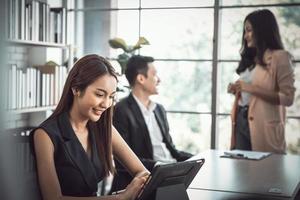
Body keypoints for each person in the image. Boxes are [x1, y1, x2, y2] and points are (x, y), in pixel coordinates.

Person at [30, 54, 149, 200]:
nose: (106, 104)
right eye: (100, 94)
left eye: (111, 97)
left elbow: (142, 172)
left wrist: (137, 185)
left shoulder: (104, 128)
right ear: (76, 89)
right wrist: (119, 198)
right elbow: (53, 198)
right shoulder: (45, 135)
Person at [110, 55, 193, 193]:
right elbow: (122, 161)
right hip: (146, 180)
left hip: (170, 175)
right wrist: (164, 167)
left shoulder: (159, 109)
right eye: (154, 74)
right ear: (141, 79)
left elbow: (171, 149)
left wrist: (194, 159)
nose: (159, 80)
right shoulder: (121, 110)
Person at [228, 9, 295, 154]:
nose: (245, 36)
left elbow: (288, 98)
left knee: (265, 172)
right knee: (242, 171)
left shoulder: (280, 57)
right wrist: (237, 89)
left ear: (262, 30)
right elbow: (249, 93)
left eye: (249, 30)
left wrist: (250, 88)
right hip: (240, 119)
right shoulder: (251, 57)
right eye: (244, 31)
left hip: (265, 125)